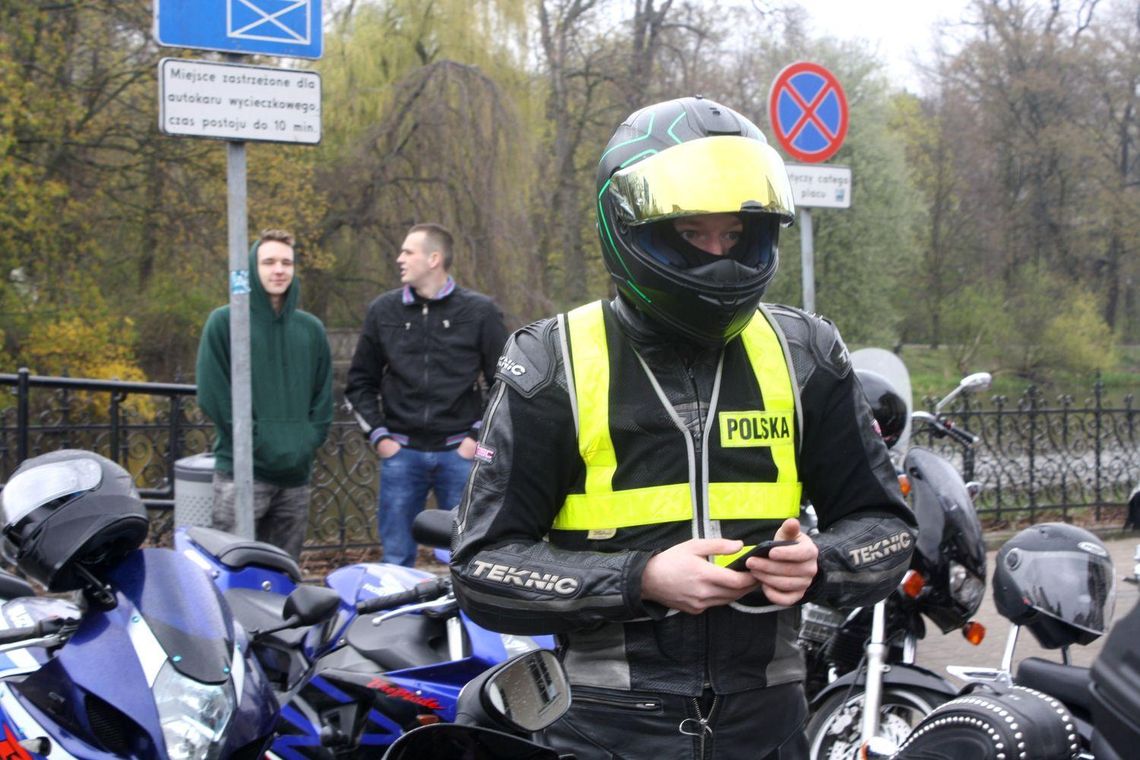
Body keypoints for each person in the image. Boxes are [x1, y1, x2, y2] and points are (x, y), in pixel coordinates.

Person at [449, 96, 917, 759]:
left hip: (769, 724)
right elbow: (480, 567)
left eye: (734, 235)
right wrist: (639, 579)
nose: (719, 255)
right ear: (633, 231)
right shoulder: (553, 360)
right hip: (604, 728)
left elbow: (889, 529)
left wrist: (822, 565)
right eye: (692, 234)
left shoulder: (805, 351)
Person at [344, 223, 509, 567]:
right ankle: (394, 620)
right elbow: (360, 383)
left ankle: (463, 620)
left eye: (408, 252)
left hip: (460, 456)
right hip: (401, 455)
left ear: (434, 259)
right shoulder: (383, 311)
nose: (399, 258)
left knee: (467, 558)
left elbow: (505, 383)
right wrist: (380, 438)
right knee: (396, 560)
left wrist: (474, 439)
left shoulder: (480, 312)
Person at [196, 229, 333, 559]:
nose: (279, 270)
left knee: (283, 572)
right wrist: (254, 442)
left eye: (287, 262)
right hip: (241, 471)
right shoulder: (224, 322)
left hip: (295, 476)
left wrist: (305, 441)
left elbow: (323, 396)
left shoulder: (310, 329)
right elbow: (214, 395)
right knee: (232, 567)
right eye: (268, 262)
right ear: (252, 269)